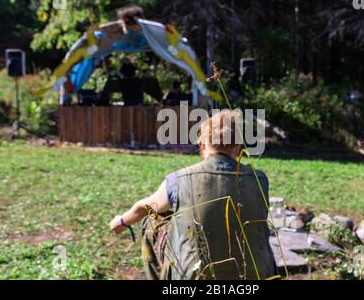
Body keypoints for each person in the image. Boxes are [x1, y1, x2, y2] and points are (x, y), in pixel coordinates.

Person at [109, 110, 277, 280]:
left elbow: (143, 208)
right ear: (239, 147)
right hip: (256, 276)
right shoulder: (260, 180)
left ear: (202, 145)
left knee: (151, 220)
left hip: (195, 277)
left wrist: (121, 221)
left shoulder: (180, 179)